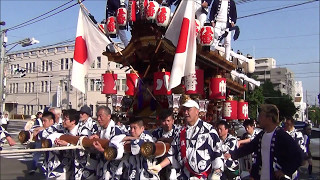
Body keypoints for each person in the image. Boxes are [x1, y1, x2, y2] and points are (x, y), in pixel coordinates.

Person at [224, 104, 304, 180]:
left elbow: (299, 155)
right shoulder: (262, 135)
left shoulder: (281, 136)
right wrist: (232, 155)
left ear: (269, 118)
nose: (258, 119)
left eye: (261, 116)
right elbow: (249, 147)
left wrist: (285, 171)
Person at [149, 99, 224, 179]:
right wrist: (160, 166)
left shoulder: (209, 130)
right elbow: (173, 152)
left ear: (197, 111)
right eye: (184, 110)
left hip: (203, 176)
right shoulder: (181, 131)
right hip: (185, 175)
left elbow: (217, 153)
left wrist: (217, 173)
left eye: (189, 110)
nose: (185, 113)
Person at [90, 105, 126, 180]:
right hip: (102, 168)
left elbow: (119, 153)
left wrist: (102, 150)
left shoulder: (116, 131)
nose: (98, 119)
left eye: (101, 116)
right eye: (97, 116)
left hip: (113, 170)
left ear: (109, 116)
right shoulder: (101, 131)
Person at [152, 108, 181, 179]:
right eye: (164, 121)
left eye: (168, 120)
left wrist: (165, 139)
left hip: (175, 163)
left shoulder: (178, 130)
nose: (166, 123)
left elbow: (178, 141)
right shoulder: (157, 132)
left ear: (173, 121)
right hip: (160, 161)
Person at [74, 105, 99, 180]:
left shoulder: (93, 124)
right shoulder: (79, 124)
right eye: (80, 113)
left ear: (88, 114)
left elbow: (96, 135)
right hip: (79, 153)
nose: (81, 115)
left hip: (90, 153)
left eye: (83, 113)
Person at [54, 109, 80, 179]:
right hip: (68, 164)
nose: (63, 121)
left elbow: (82, 149)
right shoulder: (64, 130)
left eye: (65, 119)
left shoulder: (82, 131)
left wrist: (67, 145)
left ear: (73, 121)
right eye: (63, 119)